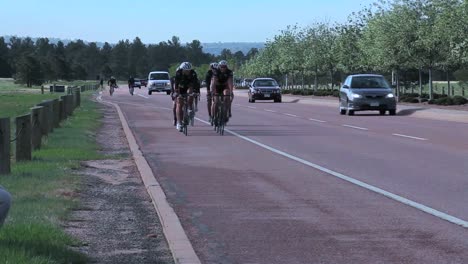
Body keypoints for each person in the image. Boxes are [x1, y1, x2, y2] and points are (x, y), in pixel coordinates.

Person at [174, 62, 199, 132]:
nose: (187, 72)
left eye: (189, 70)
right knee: (179, 104)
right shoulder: (178, 73)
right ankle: (179, 123)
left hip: (189, 87)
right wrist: (176, 93)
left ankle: (190, 108)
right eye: (186, 70)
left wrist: (195, 92)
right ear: (182, 70)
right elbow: (176, 83)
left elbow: (195, 83)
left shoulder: (193, 73)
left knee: (191, 91)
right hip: (180, 88)